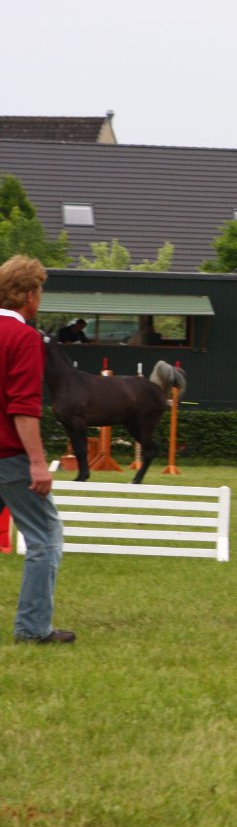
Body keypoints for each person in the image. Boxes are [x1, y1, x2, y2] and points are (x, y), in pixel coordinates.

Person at [0, 256, 73, 644]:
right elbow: (22, 406)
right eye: (40, 290)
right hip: (8, 457)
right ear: (29, 294)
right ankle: (32, 629)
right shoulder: (25, 338)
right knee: (45, 537)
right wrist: (38, 463)